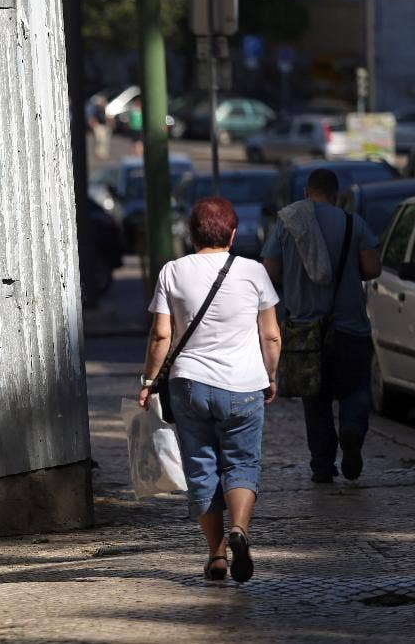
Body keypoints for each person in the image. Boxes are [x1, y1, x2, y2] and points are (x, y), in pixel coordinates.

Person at [139, 197, 282, 583]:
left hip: (189, 385)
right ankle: (240, 529)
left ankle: (217, 556)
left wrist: (150, 381)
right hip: (244, 384)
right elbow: (270, 335)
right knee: (242, 462)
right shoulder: (253, 273)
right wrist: (271, 376)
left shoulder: (173, 271)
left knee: (201, 466)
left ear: (191, 234)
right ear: (233, 233)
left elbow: (161, 335)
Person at [261, 169, 382, 483]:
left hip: (305, 330)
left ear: (306, 192)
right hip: (350, 326)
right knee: (355, 389)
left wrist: (296, 274)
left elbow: (269, 271)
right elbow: (372, 268)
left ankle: (322, 466)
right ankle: (352, 431)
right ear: (336, 193)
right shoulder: (354, 223)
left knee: (315, 400)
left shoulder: (287, 224)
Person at [86, 95, 113, 159]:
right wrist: (94, 124)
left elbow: (106, 118)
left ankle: (103, 153)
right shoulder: (97, 109)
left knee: (104, 140)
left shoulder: (104, 109)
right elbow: (92, 118)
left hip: (104, 126)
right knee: (100, 140)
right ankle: (100, 153)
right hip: (99, 126)